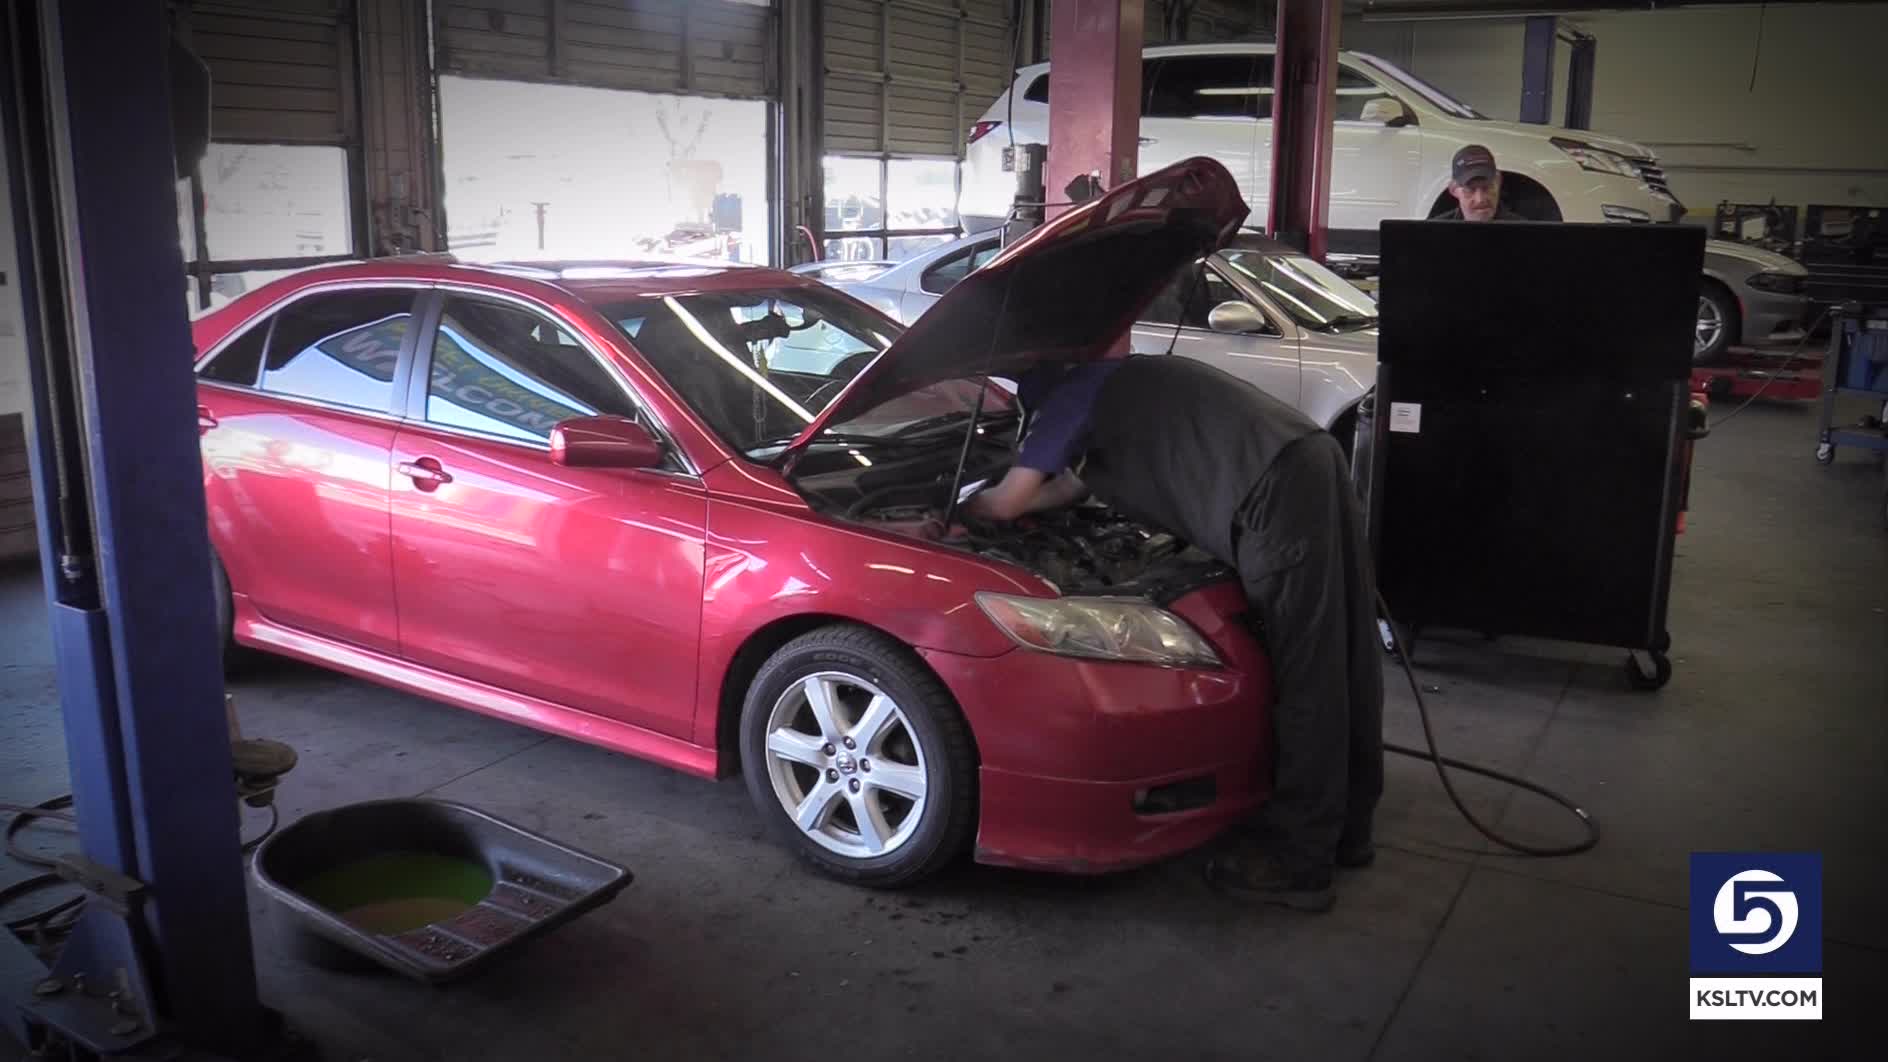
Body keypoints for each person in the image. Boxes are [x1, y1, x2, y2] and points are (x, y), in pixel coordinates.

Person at [962, 348, 1384, 913]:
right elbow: (1067, 489)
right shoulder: (1120, 381)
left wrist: (967, 509)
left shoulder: (1067, 397)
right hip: (1309, 457)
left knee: (1306, 675)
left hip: (1272, 493)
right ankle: (1350, 830)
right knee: (1344, 650)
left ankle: (1299, 859)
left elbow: (1011, 500)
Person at [1433, 144, 1523, 222]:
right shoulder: (1435, 232)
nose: (1480, 199)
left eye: (1487, 187)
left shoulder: (1525, 231)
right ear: (1453, 189)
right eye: (1470, 190)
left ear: (1498, 182)